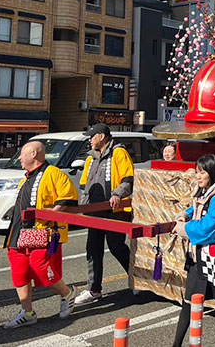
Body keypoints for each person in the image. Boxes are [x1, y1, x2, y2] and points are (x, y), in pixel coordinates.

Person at [3, 141, 79, 329]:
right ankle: (27, 312)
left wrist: (50, 215)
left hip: (42, 232)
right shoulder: (26, 177)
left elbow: (69, 197)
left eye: (23, 154)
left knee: (41, 269)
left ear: (35, 154)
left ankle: (67, 293)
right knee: (19, 272)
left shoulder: (53, 173)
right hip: (18, 232)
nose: (20, 157)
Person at [171, 155, 215, 347]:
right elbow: (198, 208)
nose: (198, 175)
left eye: (202, 171)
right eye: (197, 171)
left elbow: (211, 227)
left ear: (213, 172)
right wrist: (186, 213)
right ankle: (176, 344)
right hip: (198, 253)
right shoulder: (206, 191)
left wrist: (183, 229)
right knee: (189, 300)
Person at [75, 124, 135, 305]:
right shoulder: (90, 158)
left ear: (101, 136)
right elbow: (84, 184)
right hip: (95, 210)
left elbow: (128, 178)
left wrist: (118, 194)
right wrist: (83, 206)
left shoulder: (118, 153)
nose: (89, 140)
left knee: (116, 246)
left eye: (91, 137)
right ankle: (94, 289)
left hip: (114, 210)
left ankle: (137, 279)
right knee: (93, 248)